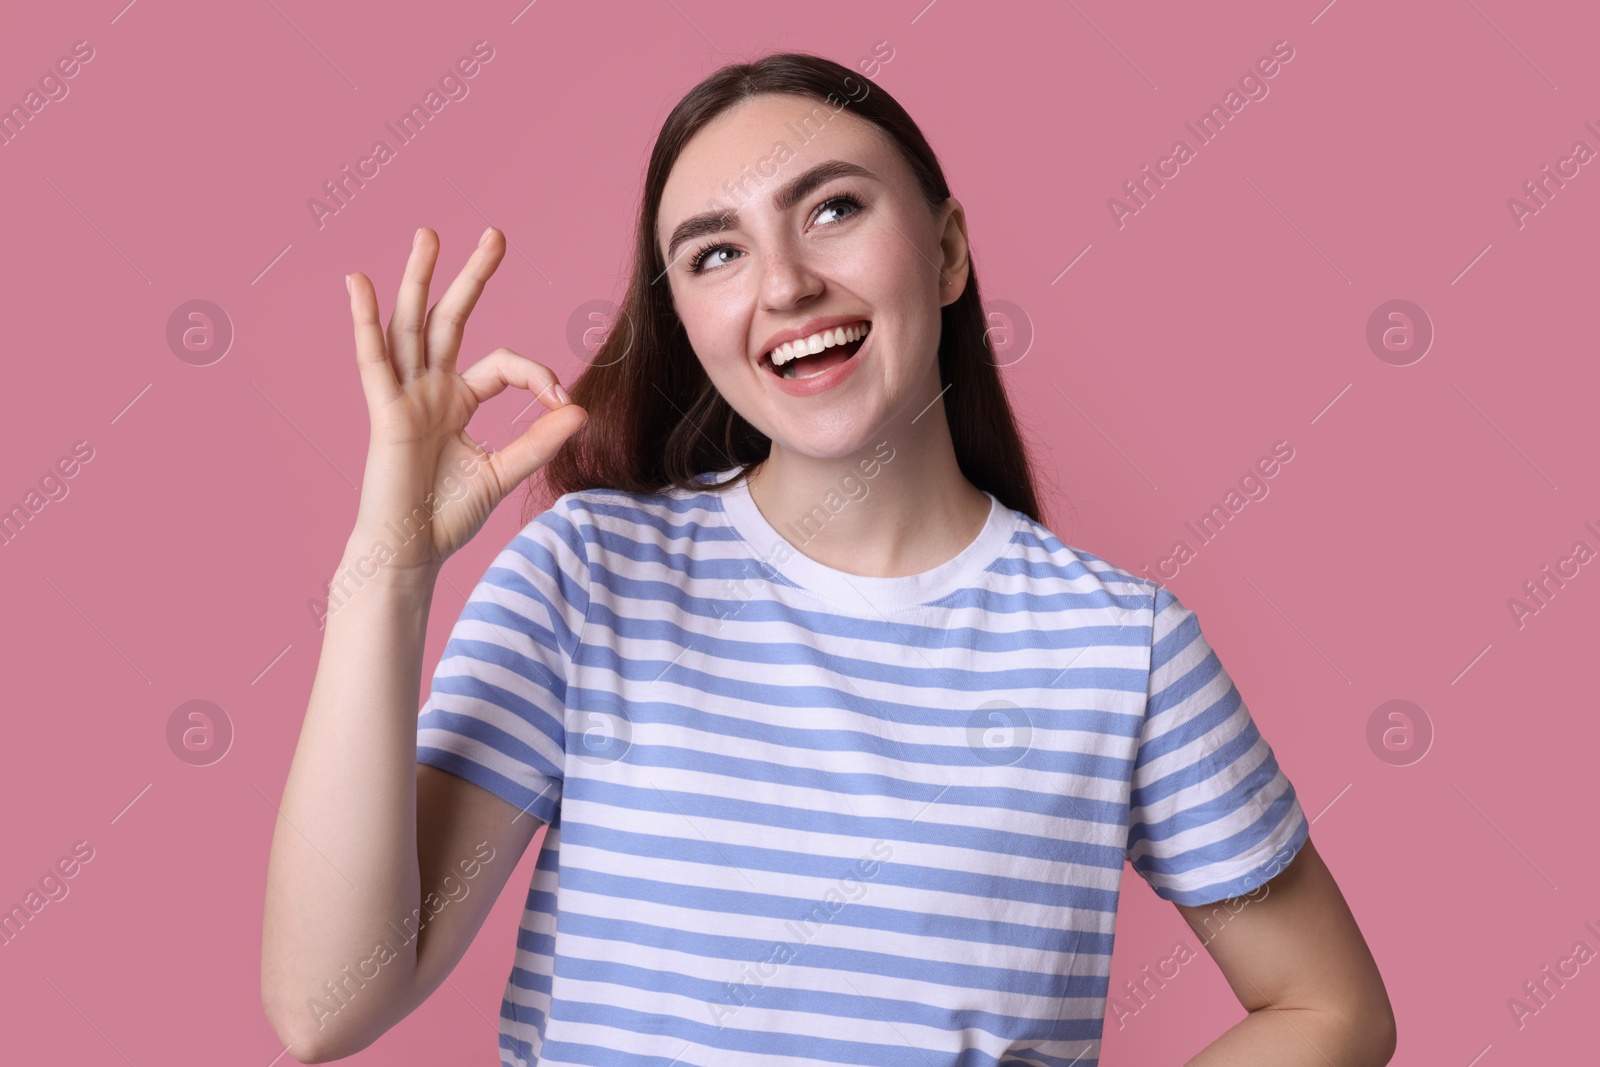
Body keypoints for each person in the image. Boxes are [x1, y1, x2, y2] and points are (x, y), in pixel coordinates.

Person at [261, 51, 1396, 1066]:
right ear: (693, 325)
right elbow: (323, 1007)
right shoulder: (588, 577)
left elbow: (1329, 1006)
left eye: (833, 208)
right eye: (715, 252)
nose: (783, 283)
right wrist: (388, 574)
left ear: (946, 250)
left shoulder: (1120, 645)